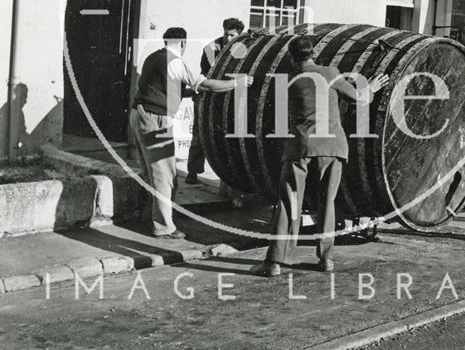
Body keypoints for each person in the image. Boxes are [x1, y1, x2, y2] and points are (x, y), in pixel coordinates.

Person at [251, 36, 390, 276]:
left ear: (291, 57)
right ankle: (326, 260)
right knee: (327, 203)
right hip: (333, 147)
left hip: (301, 147)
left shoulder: (288, 80)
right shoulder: (330, 72)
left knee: (290, 203)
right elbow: (360, 98)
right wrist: (372, 87)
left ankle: (275, 262)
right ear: (313, 53)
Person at [129, 27, 252, 239]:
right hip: (156, 120)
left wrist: (188, 93)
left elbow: (164, 88)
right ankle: (164, 228)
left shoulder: (153, 57)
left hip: (138, 116)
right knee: (165, 177)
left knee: (150, 173)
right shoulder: (175, 61)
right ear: (183, 43)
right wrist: (236, 83)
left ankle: (145, 217)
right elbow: (206, 85)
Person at [186, 18, 245, 185]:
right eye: (226, 34)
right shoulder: (211, 49)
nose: (228, 38)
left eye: (232, 35)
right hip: (208, 94)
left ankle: (226, 177)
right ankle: (193, 171)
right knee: (200, 133)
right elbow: (212, 76)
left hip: (228, 94)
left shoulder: (242, 48)